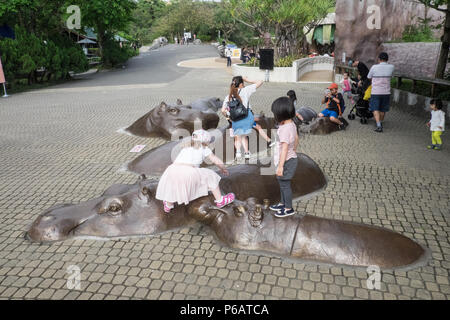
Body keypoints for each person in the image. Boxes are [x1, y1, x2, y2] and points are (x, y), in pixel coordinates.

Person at [156, 130, 235, 213]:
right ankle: (220, 200)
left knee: (172, 186)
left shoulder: (186, 147)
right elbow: (215, 159)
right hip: (188, 170)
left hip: (172, 169)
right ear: (205, 142)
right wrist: (223, 168)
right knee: (211, 176)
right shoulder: (204, 148)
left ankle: (168, 205)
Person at [222, 76, 269, 160]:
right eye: (243, 84)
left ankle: (238, 152)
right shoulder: (246, 90)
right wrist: (247, 79)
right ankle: (247, 153)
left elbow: (223, 110)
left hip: (235, 120)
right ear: (240, 84)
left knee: (238, 135)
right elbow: (260, 81)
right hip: (247, 118)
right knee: (244, 136)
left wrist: (228, 116)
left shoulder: (228, 96)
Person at [269, 97, 299, 218]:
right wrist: (295, 149)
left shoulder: (284, 130)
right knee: (282, 184)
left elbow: (285, 149)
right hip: (290, 159)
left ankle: (288, 208)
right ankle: (282, 203)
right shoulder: (291, 123)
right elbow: (296, 138)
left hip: (286, 161)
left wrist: (280, 166)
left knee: (285, 185)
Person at [367, 52, 395, 133]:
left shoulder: (374, 67)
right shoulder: (391, 67)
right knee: (383, 109)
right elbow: (392, 76)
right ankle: (380, 122)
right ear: (387, 59)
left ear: (379, 59)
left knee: (375, 108)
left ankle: (378, 125)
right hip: (386, 92)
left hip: (375, 92)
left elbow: (369, 77)